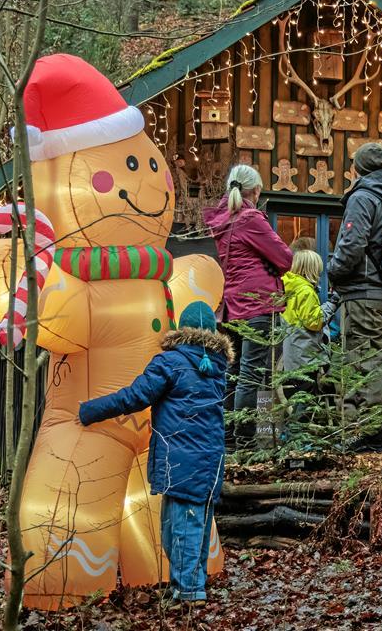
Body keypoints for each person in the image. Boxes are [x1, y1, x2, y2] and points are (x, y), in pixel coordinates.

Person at [78, 301, 234, 605]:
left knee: (182, 529)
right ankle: (188, 583)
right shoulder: (217, 368)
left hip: (180, 460)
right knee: (193, 526)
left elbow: (135, 396)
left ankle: (189, 592)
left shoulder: (170, 363)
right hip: (210, 460)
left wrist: (90, 410)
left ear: (182, 329)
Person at [203, 164, 293, 450]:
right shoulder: (251, 218)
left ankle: (228, 438)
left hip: (230, 305)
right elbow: (284, 257)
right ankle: (245, 441)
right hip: (255, 305)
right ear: (255, 190)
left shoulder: (223, 218)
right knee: (250, 375)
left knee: (233, 374)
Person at [326, 142, 382, 452]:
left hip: (363, 292)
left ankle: (371, 434)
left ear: (356, 169)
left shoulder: (362, 198)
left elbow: (350, 246)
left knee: (365, 361)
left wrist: (332, 270)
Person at [280, 249, 328, 428]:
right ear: (311, 269)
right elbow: (314, 322)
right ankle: (297, 435)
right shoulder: (305, 291)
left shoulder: (290, 288)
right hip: (305, 356)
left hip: (293, 355)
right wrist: (330, 305)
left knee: (301, 395)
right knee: (306, 399)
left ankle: (296, 434)